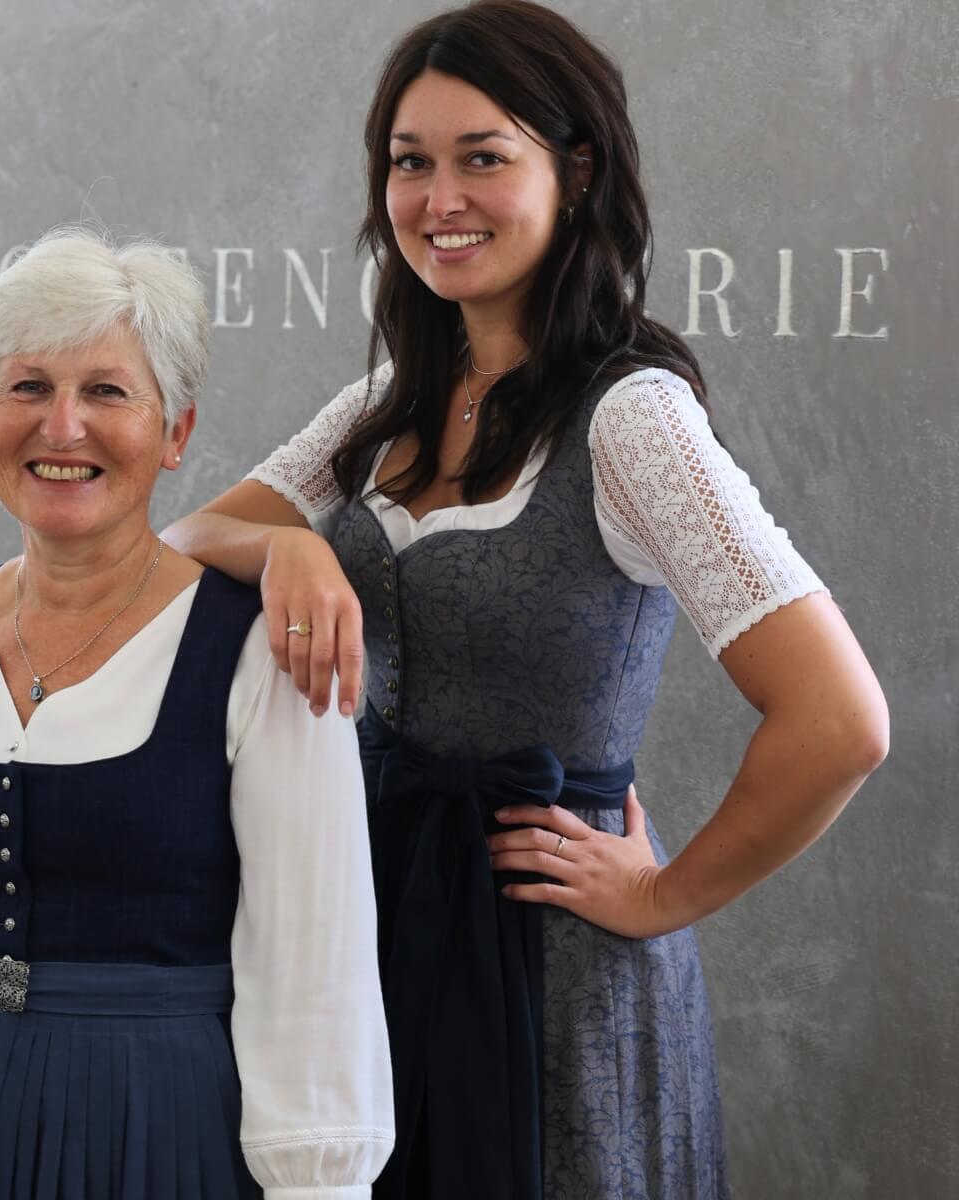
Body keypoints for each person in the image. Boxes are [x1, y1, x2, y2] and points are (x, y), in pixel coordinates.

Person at [161, 3, 890, 1197]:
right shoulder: (397, 394)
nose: (438, 198)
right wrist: (286, 554)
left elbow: (840, 720)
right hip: (378, 921)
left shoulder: (633, 416)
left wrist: (659, 895)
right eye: (411, 163)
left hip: (557, 977)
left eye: (482, 158)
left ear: (577, 170)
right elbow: (189, 541)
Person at [0, 228, 394, 1199]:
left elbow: (315, 978)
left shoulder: (263, 654)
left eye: (107, 391)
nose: (62, 429)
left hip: (159, 1133)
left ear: (175, 431)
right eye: (28, 388)